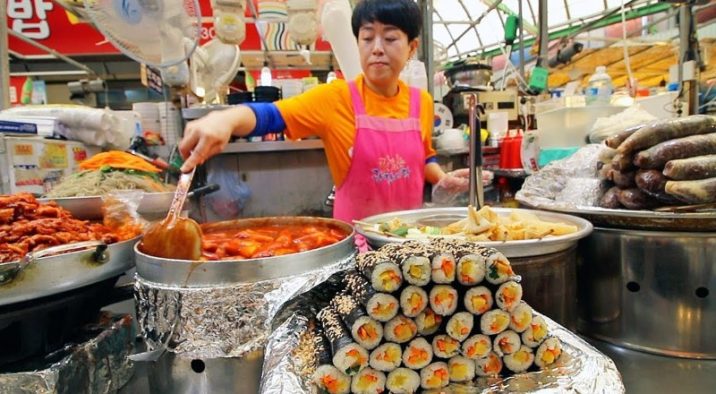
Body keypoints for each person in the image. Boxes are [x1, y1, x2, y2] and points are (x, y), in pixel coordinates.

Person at [179, 0, 468, 223]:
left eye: (390, 38)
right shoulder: (336, 98)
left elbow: (424, 155)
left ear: (412, 47)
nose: (377, 48)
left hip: (407, 241)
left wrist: (441, 177)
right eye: (367, 38)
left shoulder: (423, 102)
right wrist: (226, 118)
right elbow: (270, 115)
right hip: (357, 246)